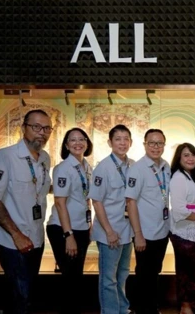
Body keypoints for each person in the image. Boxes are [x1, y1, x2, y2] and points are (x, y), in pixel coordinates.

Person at [0, 109, 53, 314]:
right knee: (18, 296)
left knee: (28, 293)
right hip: (13, 240)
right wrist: (16, 235)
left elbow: (38, 190)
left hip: (36, 237)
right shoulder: (5, 156)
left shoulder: (45, 159)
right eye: (36, 127)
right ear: (23, 128)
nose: (42, 132)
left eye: (47, 128)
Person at [46, 128, 93, 314]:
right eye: (72, 140)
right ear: (66, 145)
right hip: (63, 230)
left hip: (81, 228)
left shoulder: (87, 166)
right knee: (70, 278)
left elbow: (86, 198)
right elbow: (59, 202)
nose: (78, 143)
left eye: (81, 139)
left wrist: (90, 226)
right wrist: (69, 235)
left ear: (87, 143)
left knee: (76, 277)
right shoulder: (63, 169)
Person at [88, 124, 135, 314]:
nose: (122, 143)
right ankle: (109, 311)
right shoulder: (103, 168)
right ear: (110, 142)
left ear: (130, 142)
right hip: (110, 231)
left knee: (123, 274)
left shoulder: (132, 164)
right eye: (118, 139)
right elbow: (96, 201)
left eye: (126, 139)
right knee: (108, 278)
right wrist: (108, 231)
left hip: (127, 230)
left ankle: (122, 309)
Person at [126, 129, 171, 314]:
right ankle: (141, 308)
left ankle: (152, 307)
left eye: (159, 143)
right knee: (143, 274)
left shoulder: (166, 166)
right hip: (144, 233)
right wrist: (138, 235)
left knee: (154, 272)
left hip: (162, 231)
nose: (156, 147)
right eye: (152, 143)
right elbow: (130, 202)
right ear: (144, 144)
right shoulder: (137, 169)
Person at [169, 143, 195, 314]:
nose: (190, 158)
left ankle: (193, 299)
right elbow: (179, 209)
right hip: (184, 231)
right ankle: (185, 305)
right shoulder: (178, 178)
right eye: (186, 155)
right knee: (185, 270)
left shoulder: (193, 177)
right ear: (179, 158)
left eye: (193, 155)